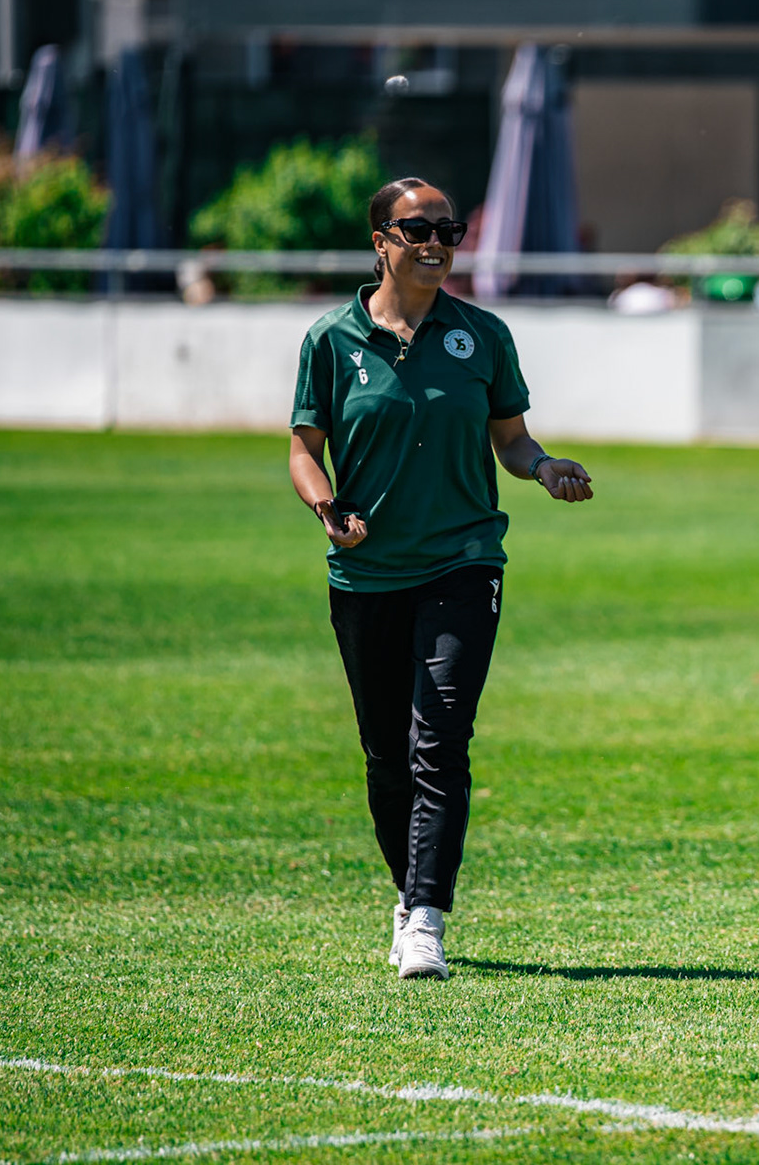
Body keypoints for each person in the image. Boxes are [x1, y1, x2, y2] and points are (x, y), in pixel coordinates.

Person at [288, 177, 594, 981]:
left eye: (448, 231)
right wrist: (327, 508)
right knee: (386, 753)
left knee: (440, 741)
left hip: (464, 562)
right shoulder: (330, 339)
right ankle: (405, 890)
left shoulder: (483, 335)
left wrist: (546, 467)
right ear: (380, 242)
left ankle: (426, 916)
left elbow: (513, 442)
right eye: (416, 229)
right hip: (366, 574)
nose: (435, 243)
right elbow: (302, 450)